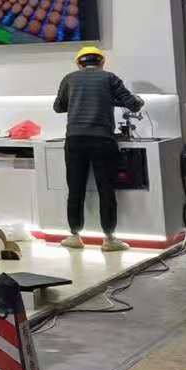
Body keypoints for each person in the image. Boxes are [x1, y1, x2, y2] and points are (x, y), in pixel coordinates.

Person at [54, 46, 144, 252]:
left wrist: (77, 101)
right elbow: (133, 105)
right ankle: (109, 239)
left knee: (75, 189)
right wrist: (138, 100)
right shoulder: (110, 78)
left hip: (75, 140)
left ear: (79, 64)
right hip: (103, 140)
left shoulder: (69, 78)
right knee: (106, 189)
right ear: (102, 62)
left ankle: (75, 236)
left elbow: (58, 107)